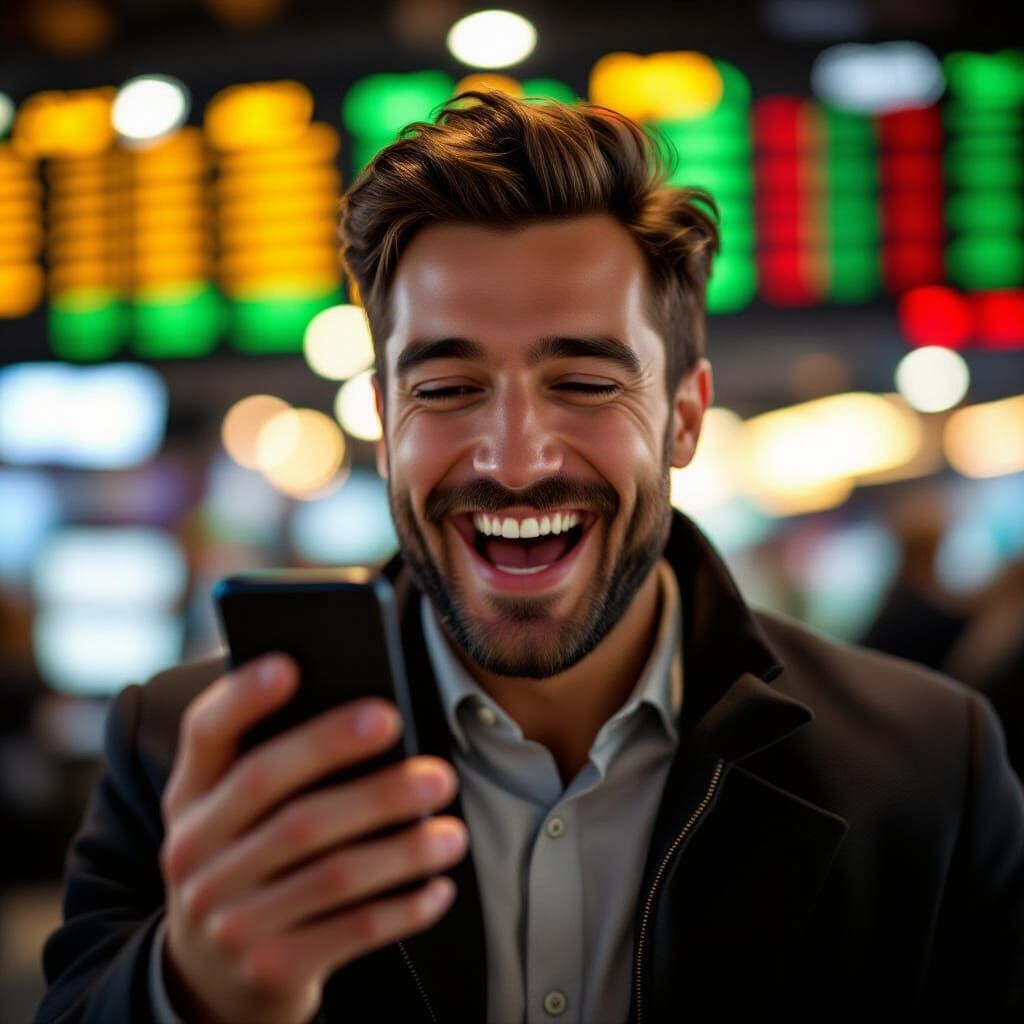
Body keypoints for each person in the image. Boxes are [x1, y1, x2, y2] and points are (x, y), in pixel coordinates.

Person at [36, 92, 1024, 1023]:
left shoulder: (929, 767)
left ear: (681, 415)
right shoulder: (180, 757)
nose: (514, 460)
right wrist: (190, 993)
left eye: (585, 381)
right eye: (447, 387)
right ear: (383, 421)